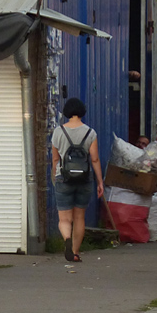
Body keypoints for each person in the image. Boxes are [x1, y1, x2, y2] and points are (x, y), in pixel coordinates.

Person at [51, 97, 104, 263]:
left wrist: (54, 176)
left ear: (67, 112)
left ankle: (67, 238)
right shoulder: (90, 133)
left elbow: (55, 159)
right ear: (82, 111)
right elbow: (94, 159)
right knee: (79, 217)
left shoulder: (58, 132)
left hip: (64, 178)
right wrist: (100, 181)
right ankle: (74, 252)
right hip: (84, 179)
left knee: (64, 219)